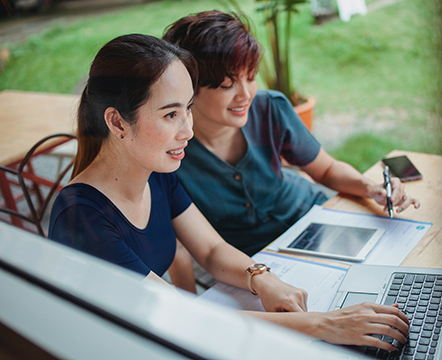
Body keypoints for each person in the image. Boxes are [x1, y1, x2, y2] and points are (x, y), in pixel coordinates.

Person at [48, 33, 409, 351]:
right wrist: (324, 324)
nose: (187, 130)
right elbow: (183, 316)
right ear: (116, 122)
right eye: (171, 115)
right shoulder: (83, 217)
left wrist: (261, 277)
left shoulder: (154, 172)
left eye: (188, 109)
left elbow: (211, 248)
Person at [163, 10, 421, 257]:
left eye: (251, 77)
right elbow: (182, 248)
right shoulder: (169, 152)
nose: (245, 95)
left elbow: (326, 169)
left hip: (313, 214)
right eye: (227, 85)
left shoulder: (269, 108)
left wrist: (372, 188)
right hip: (254, 258)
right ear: (188, 88)